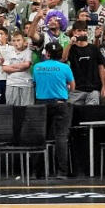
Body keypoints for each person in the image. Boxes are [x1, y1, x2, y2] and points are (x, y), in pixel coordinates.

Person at [31, 45, 75, 179]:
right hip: (60, 103)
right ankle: (62, 172)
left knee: (39, 137)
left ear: (47, 53)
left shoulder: (37, 67)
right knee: (61, 137)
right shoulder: (65, 67)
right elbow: (72, 87)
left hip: (41, 104)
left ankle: (35, 172)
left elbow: (35, 83)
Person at [2, 33, 34, 106]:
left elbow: (26, 65)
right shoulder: (9, 53)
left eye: (18, 40)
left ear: (24, 41)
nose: (16, 43)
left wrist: (11, 66)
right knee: (11, 109)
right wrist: (19, 68)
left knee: (27, 109)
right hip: (11, 83)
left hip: (26, 83)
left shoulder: (28, 52)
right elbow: (5, 68)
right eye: (14, 40)